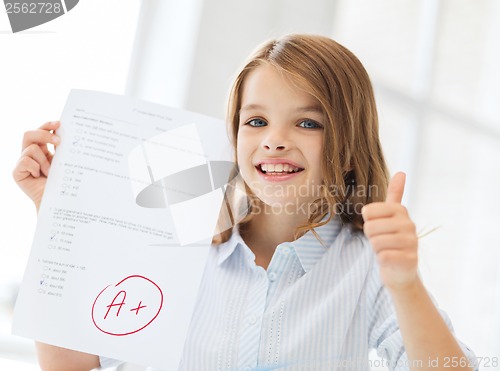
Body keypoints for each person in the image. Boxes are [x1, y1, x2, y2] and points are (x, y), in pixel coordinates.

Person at [13, 34, 477, 371]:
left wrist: (404, 284)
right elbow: (76, 366)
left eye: (308, 123)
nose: (274, 141)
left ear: (350, 143)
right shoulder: (178, 244)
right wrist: (54, 215)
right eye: (255, 121)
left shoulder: (365, 269)